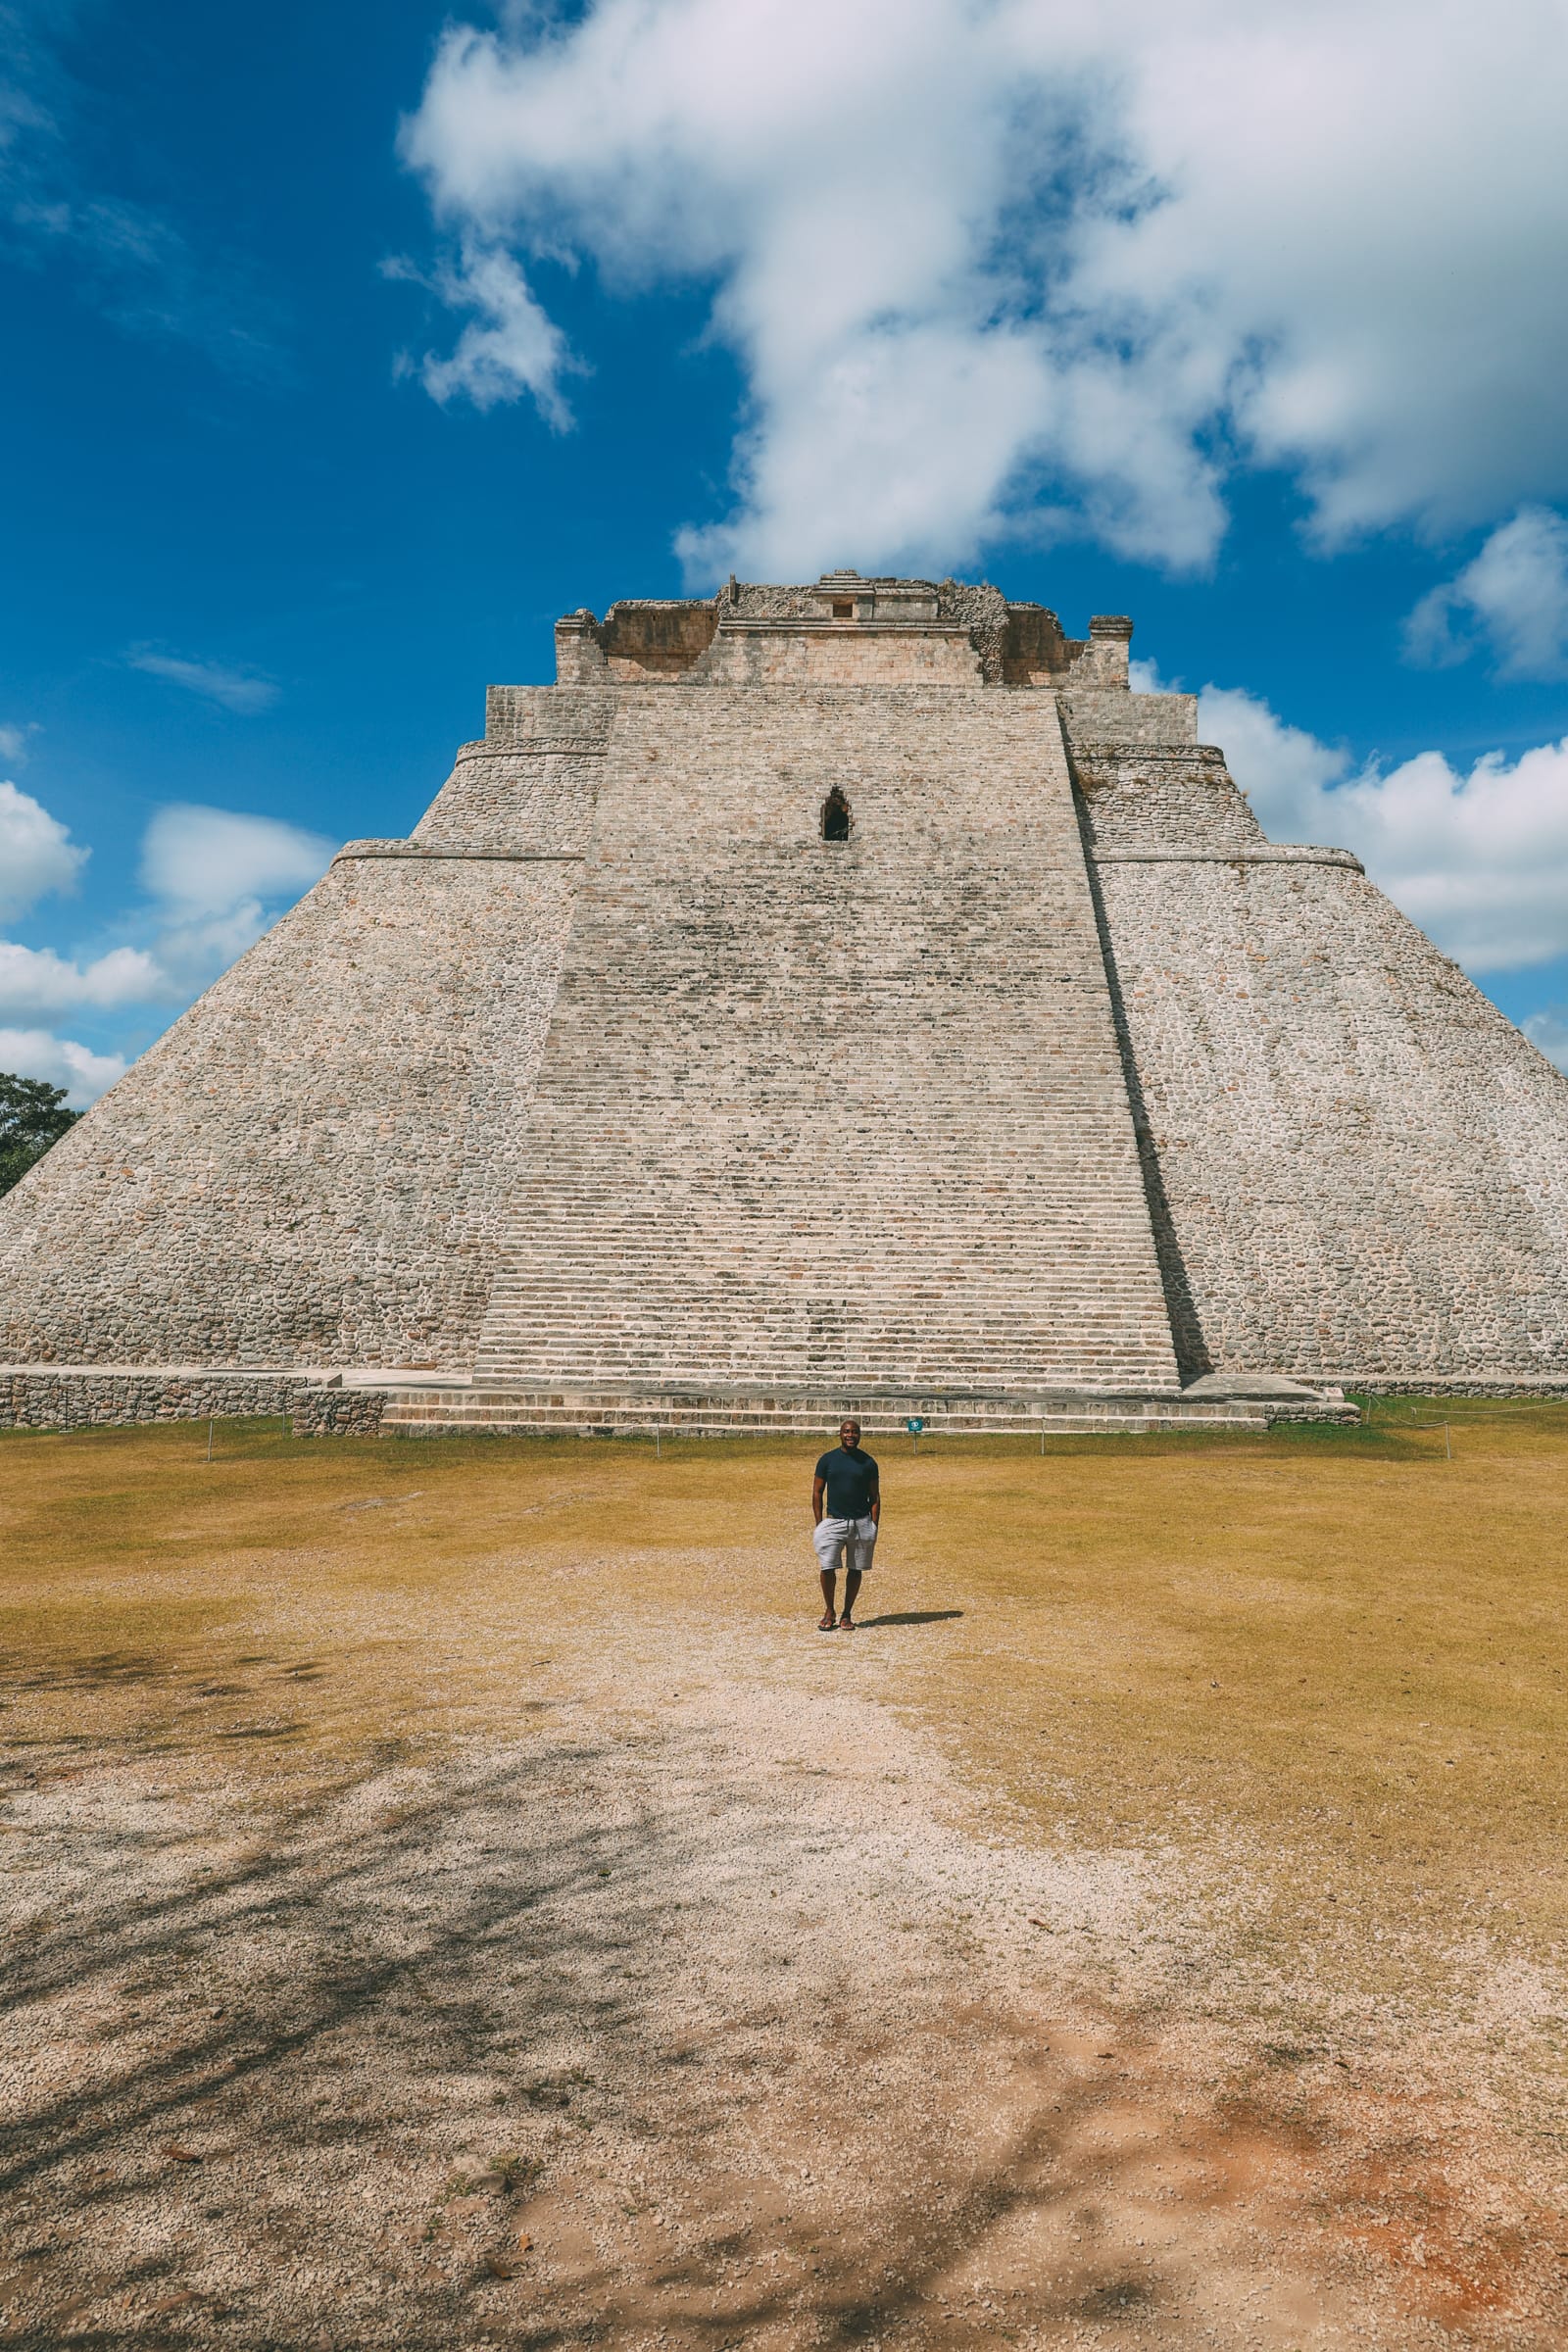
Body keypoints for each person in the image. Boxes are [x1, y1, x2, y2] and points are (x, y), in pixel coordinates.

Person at [811, 1419, 880, 1631]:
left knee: (855, 1569)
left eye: (855, 1432)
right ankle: (829, 1610)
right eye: (846, 1432)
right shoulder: (827, 1460)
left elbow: (875, 1496)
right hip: (834, 1521)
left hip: (861, 1522)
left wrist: (874, 1525)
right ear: (840, 1434)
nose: (851, 1435)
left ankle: (847, 1613)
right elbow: (817, 1492)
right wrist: (819, 1523)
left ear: (860, 1435)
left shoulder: (868, 1463)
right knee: (827, 1567)